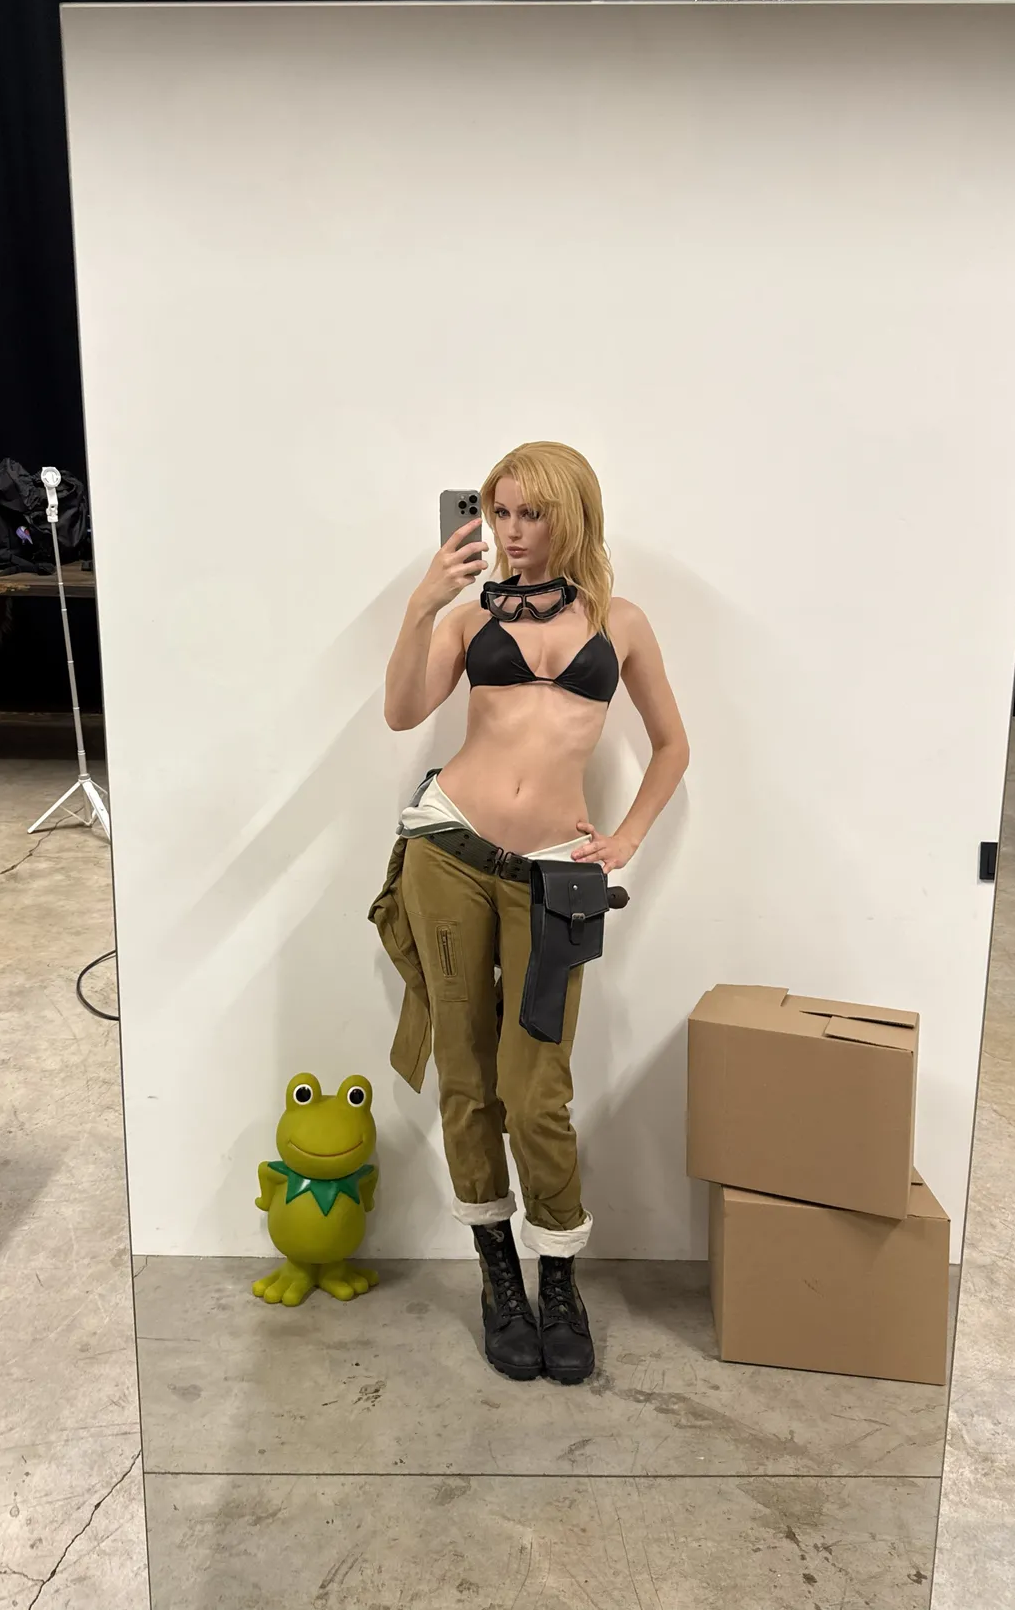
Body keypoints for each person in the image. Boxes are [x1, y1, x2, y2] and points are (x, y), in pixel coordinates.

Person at [371, 442, 688, 1385]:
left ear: (571, 514)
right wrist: (423, 603)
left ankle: (559, 1274)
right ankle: (498, 1275)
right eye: (499, 512)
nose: (511, 531)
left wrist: (626, 836)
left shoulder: (621, 621)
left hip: (555, 873)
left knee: (535, 1087)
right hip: (450, 852)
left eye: (531, 513)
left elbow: (672, 744)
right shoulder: (470, 617)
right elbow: (401, 712)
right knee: (467, 1076)